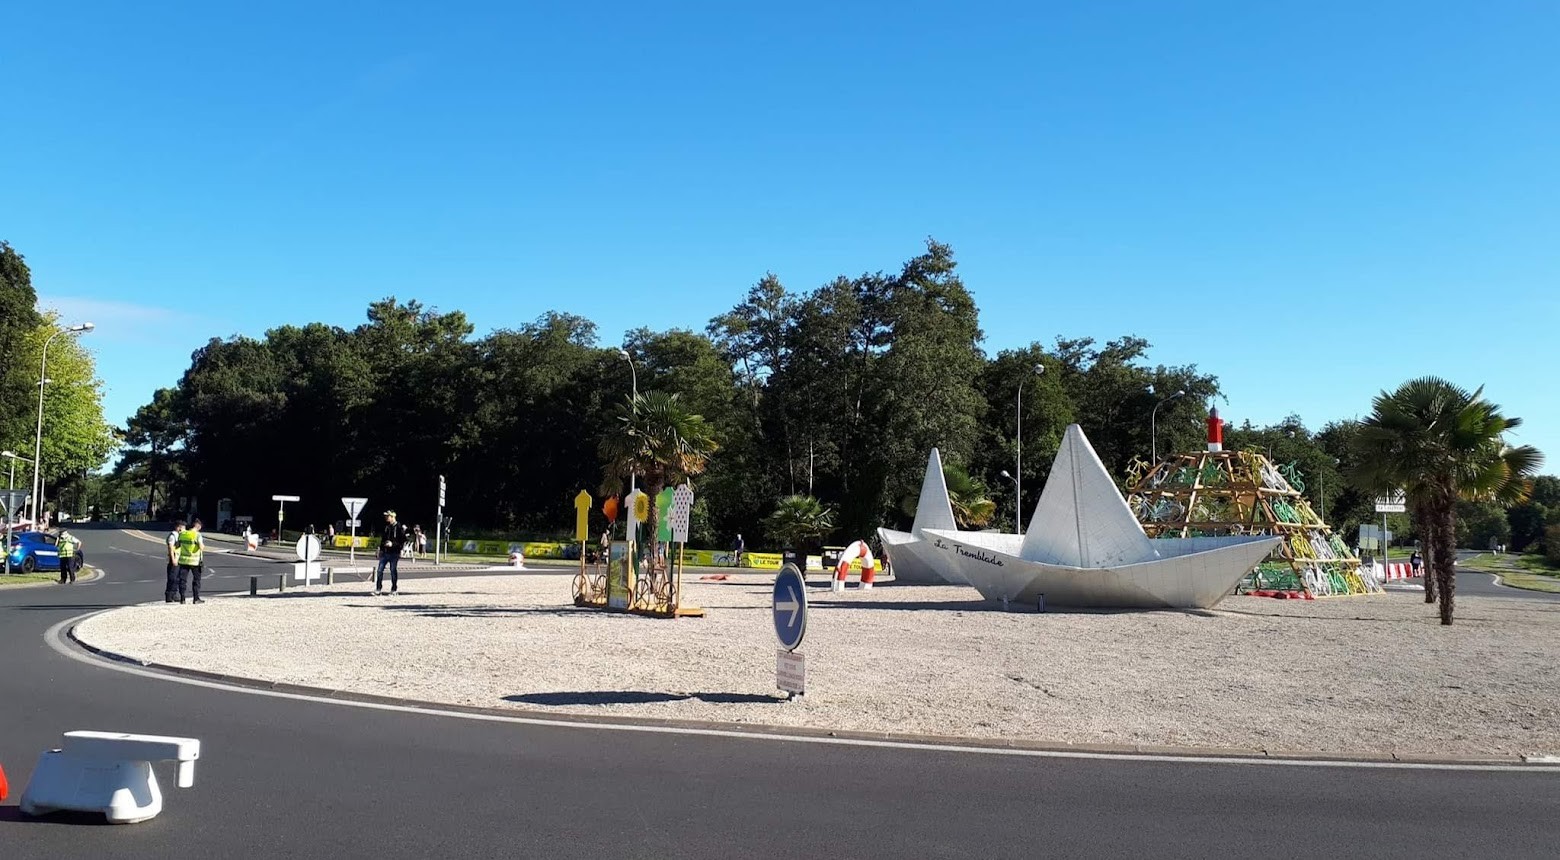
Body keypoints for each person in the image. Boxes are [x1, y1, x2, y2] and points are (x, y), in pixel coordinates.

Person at [374, 509, 410, 596]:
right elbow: (383, 539)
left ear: (392, 517)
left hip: (394, 553)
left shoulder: (399, 527)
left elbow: (403, 540)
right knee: (379, 570)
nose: (386, 518)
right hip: (385, 553)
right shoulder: (387, 527)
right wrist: (380, 549)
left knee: (393, 570)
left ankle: (394, 589)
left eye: (387, 516)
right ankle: (378, 588)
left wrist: (393, 544)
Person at [174, 518, 207, 604]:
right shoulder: (197, 535)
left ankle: (182, 598)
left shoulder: (182, 534)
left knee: (182, 580)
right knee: (196, 580)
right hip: (195, 561)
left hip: (184, 561)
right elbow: (201, 547)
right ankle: (196, 598)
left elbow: (177, 545)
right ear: (198, 526)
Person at [166, 519, 186, 602]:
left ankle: (174, 594)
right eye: (183, 528)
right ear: (179, 528)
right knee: (172, 578)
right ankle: (169, 595)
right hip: (173, 559)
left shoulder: (179, 535)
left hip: (179, 559)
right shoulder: (173, 536)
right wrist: (173, 559)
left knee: (177, 578)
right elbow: (170, 548)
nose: (185, 530)